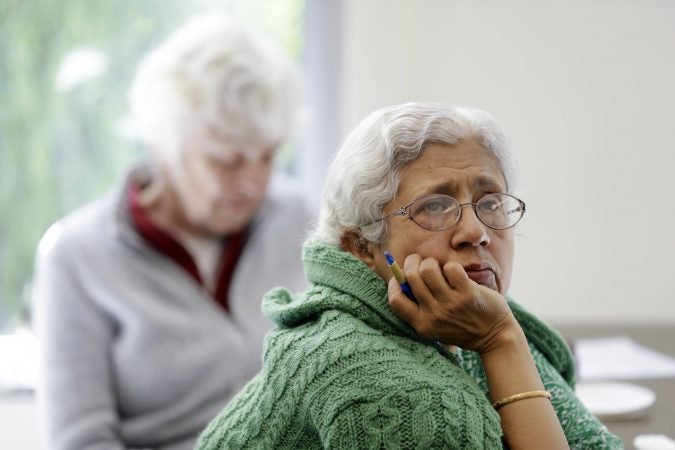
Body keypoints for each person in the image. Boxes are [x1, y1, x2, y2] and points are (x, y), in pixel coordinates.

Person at [196, 102, 622, 449]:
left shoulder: (461, 325)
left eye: (490, 202)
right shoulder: (390, 391)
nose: (476, 232)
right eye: (435, 206)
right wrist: (502, 342)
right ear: (361, 248)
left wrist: (497, 339)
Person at [31, 13, 312, 450]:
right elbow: (82, 440)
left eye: (268, 155)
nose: (253, 180)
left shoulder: (298, 218)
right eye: (227, 159)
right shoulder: (76, 256)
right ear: (166, 143)